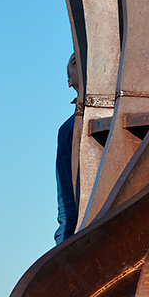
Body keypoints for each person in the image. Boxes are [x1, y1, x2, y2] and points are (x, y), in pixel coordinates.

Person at [54, 53, 79, 243]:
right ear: (69, 82)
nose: (76, 56)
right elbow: (66, 198)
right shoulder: (66, 131)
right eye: (73, 61)